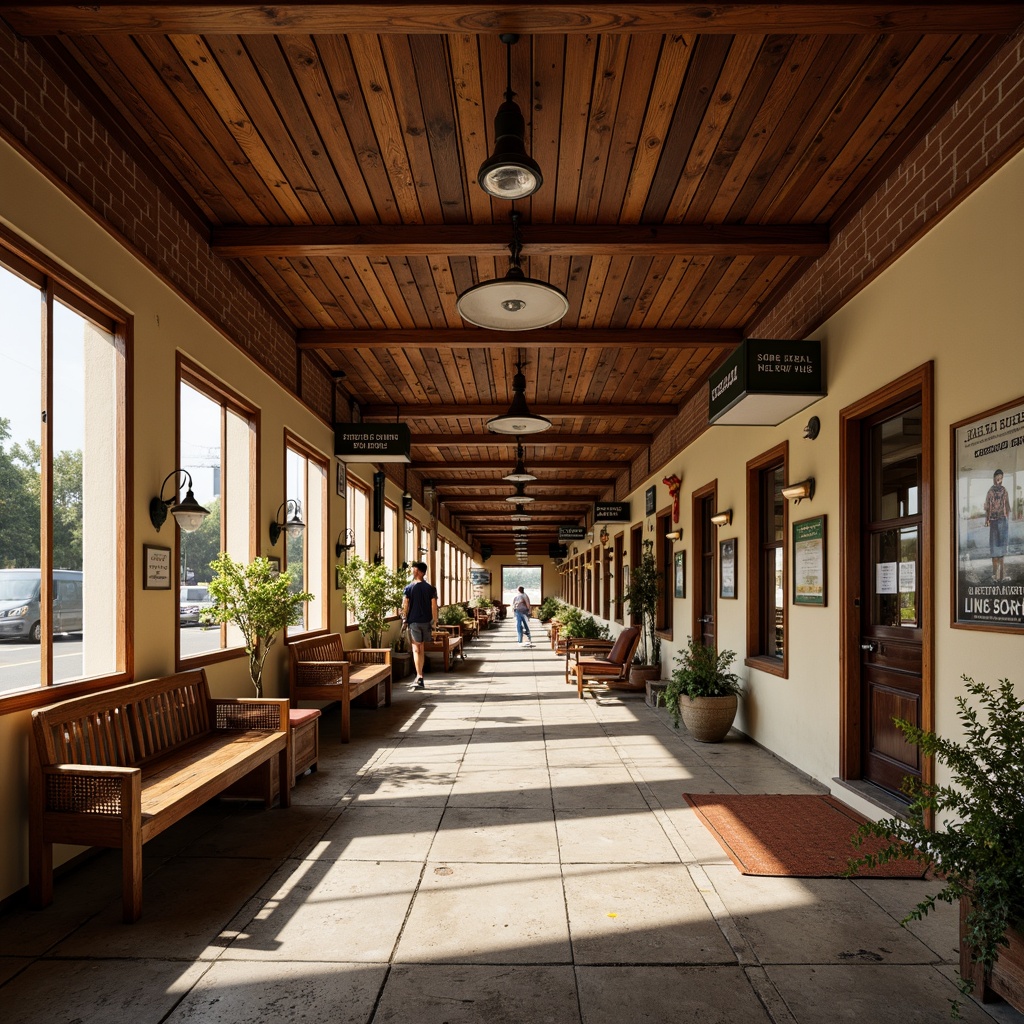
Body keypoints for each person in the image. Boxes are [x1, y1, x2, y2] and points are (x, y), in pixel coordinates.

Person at [401, 561, 437, 689]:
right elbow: (434, 606)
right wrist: (435, 622)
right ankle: (420, 676)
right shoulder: (431, 589)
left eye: (415, 569)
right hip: (426, 622)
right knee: (421, 649)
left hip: (414, 622)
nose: (413, 570)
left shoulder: (409, 588)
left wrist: (404, 619)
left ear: (420, 572)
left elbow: (405, 605)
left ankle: (419, 676)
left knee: (417, 649)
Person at [984, 468, 1011, 582]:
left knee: (1002, 549)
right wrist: (987, 519)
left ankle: (1002, 575)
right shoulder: (990, 491)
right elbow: (987, 507)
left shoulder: (1004, 490)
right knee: (995, 548)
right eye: (998, 478)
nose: (999, 480)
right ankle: (995, 575)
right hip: (994, 521)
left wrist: (1006, 517)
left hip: (1003, 520)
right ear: (994, 478)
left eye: (1001, 478)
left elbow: (1007, 505)